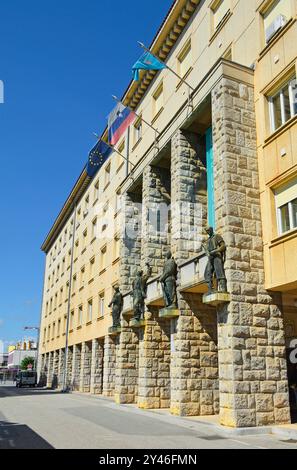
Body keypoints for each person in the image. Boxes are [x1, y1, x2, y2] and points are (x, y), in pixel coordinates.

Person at [202, 226, 227, 294]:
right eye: (206, 231)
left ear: (211, 230)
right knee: (207, 274)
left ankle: (223, 289)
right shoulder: (208, 240)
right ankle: (210, 289)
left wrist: (215, 251)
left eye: (208, 231)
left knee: (219, 272)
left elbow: (223, 246)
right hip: (210, 257)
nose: (207, 232)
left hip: (216, 256)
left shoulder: (217, 236)